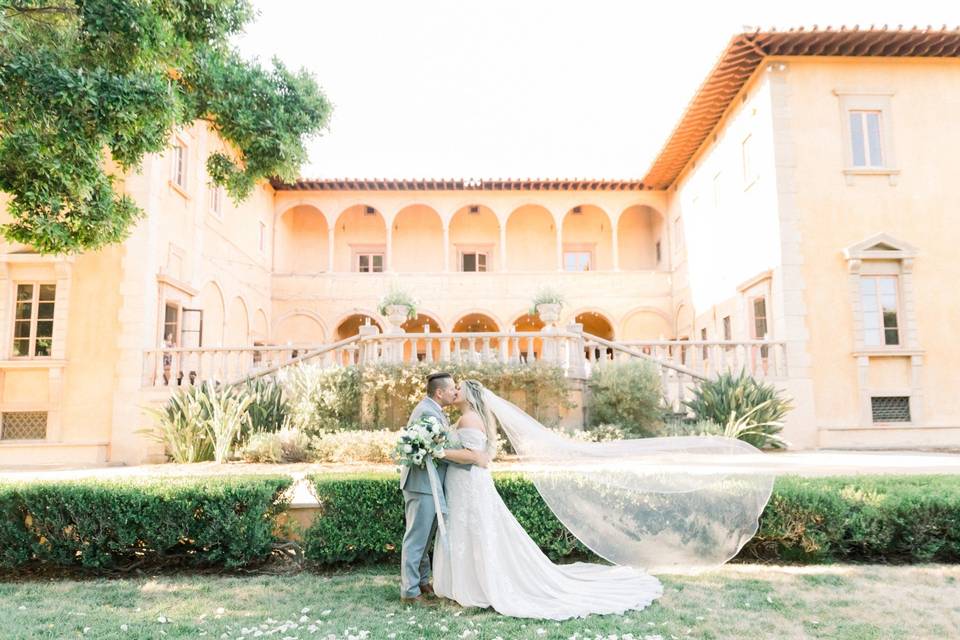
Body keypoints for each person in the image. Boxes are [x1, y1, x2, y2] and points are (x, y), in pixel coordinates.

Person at [430, 380, 663, 619]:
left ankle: (477, 586)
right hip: (463, 484)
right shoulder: (466, 417)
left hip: (469, 485)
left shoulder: (470, 419)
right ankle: (469, 583)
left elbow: (476, 457)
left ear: (470, 395)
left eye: (459, 388)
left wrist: (438, 452)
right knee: (468, 530)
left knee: (474, 531)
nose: (455, 391)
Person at [399, 372, 489, 603]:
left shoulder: (435, 411)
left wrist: (471, 456)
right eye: (451, 389)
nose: (454, 392)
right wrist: (472, 457)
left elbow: (438, 447)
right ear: (440, 392)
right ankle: (410, 591)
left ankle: (422, 581)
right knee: (416, 538)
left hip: (431, 483)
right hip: (421, 484)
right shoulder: (427, 412)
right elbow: (431, 449)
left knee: (425, 537)